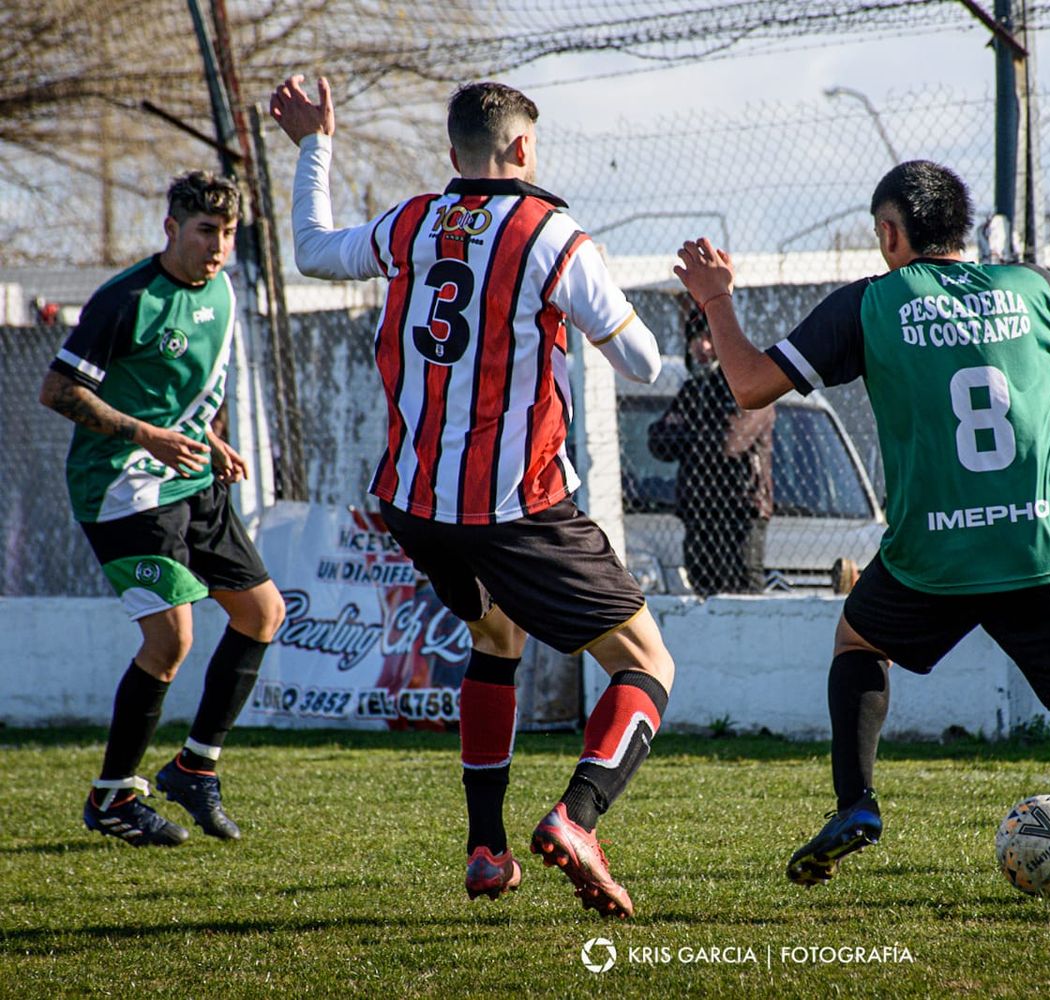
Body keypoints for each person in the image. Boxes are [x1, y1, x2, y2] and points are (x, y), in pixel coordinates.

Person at [674, 160, 1050, 918]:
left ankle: (856, 801)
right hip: (1040, 552)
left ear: (891, 234)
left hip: (931, 557)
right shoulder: (1028, 289)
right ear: (961, 228)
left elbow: (750, 384)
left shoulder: (871, 304)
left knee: (858, 641)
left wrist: (717, 300)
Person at [270, 75, 674, 918]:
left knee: (497, 632)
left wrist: (315, 145)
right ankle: (579, 816)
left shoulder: (413, 222)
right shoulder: (551, 235)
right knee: (647, 664)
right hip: (515, 507)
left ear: (453, 154)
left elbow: (309, 249)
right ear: (524, 149)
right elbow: (644, 364)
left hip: (415, 503)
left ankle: (486, 850)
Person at [39, 171, 287, 847]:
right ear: (171, 228)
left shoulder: (226, 292)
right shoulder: (126, 300)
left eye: (229, 233)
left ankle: (195, 768)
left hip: (191, 476)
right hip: (122, 487)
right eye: (206, 230)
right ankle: (112, 797)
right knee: (170, 640)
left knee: (262, 614)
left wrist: (212, 441)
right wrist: (146, 436)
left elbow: (182, 392)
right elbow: (57, 392)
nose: (218, 246)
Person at [648, 300, 775, 595]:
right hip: (699, 510)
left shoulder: (749, 383)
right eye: (695, 339)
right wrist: (698, 430)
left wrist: (686, 430)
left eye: (709, 338)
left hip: (742, 510)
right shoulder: (693, 389)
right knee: (703, 590)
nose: (702, 347)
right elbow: (657, 442)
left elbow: (727, 441)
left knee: (743, 593)